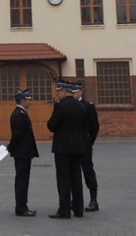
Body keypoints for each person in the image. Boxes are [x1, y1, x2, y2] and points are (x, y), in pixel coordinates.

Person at [47, 80, 88, 219]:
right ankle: (78, 208)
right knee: (76, 177)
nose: (57, 94)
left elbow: (52, 125)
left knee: (63, 179)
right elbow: (84, 126)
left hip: (63, 147)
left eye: (58, 91)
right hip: (77, 147)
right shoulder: (81, 106)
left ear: (64, 91)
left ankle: (64, 210)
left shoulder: (61, 106)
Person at [7, 89, 39, 216]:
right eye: (28, 100)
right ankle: (21, 207)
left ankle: (22, 205)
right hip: (22, 152)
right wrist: (9, 148)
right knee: (22, 180)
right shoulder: (19, 115)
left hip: (23, 152)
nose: (30, 102)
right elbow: (17, 135)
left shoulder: (21, 113)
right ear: (22, 100)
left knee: (23, 179)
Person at [74, 83, 100, 212]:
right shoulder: (68, 106)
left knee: (88, 171)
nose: (72, 94)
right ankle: (76, 201)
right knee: (73, 173)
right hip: (73, 145)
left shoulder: (87, 106)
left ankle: (93, 199)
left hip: (84, 144)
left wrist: (89, 142)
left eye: (75, 92)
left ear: (80, 92)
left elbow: (94, 126)